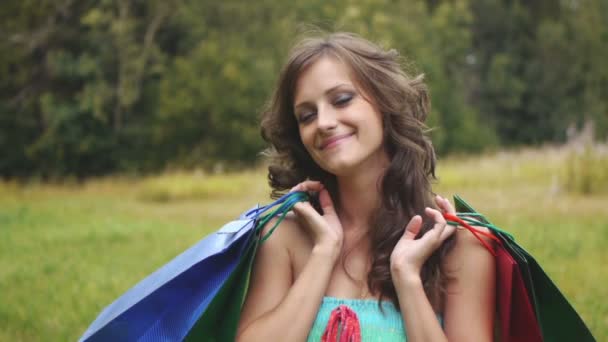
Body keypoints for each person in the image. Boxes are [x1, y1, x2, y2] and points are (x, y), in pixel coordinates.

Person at [236, 32, 496, 341]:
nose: (323, 122)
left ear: (384, 103)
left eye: (342, 99)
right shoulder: (283, 237)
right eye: (307, 116)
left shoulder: (461, 247)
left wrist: (408, 279)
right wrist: (323, 254)